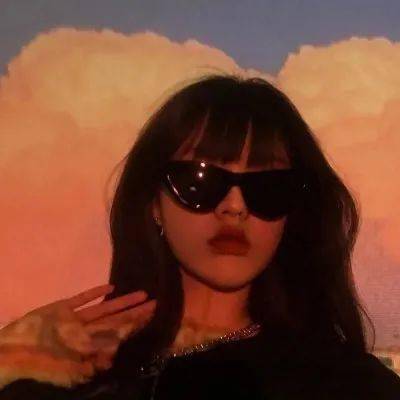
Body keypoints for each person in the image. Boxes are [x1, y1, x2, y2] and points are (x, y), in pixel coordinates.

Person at [0, 74, 399, 399]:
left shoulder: (348, 385)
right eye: (201, 180)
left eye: (268, 187)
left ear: (292, 213)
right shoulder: (68, 367)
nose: (234, 207)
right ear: (153, 203)